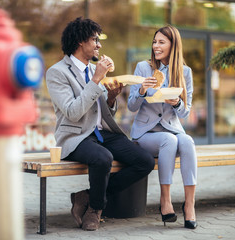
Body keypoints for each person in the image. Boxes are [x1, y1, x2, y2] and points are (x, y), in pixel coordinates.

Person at [46, 17, 155, 231]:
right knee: (102, 158)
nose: (99, 45)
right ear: (80, 41)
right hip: (77, 135)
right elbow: (72, 112)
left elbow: (105, 111)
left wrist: (112, 98)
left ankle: (85, 197)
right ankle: (96, 209)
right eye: (95, 39)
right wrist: (96, 80)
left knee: (145, 161)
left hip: (102, 133)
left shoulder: (94, 70)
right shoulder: (57, 72)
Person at [127, 25, 197, 229]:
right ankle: (165, 201)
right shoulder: (143, 67)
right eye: (154, 41)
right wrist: (141, 90)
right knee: (170, 140)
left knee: (187, 141)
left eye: (161, 42)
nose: (156, 46)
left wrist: (176, 102)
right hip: (145, 134)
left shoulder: (185, 72)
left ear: (173, 45)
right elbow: (131, 106)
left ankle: (190, 204)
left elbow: (185, 113)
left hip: (172, 128)